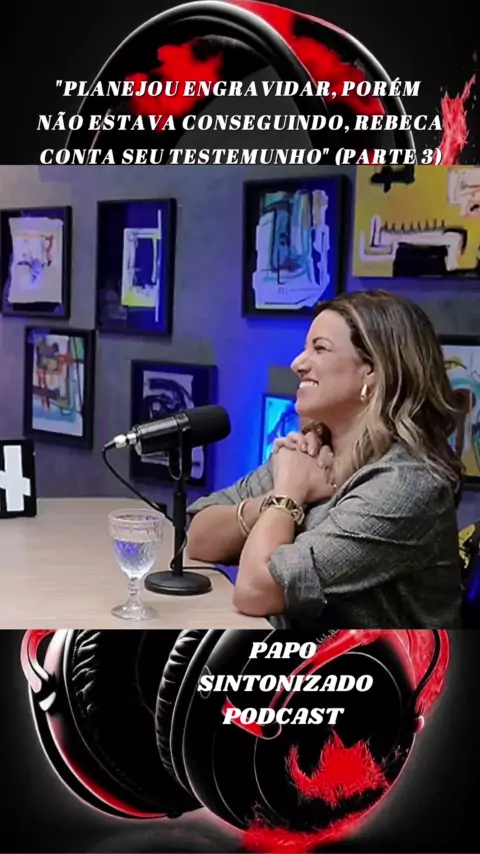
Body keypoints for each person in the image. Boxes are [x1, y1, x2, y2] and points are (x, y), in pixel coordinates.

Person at [187, 290, 463, 629]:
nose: (297, 363)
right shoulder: (311, 450)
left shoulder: (407, 484)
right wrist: (279, 495)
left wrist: (288, 495)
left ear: (372, 372)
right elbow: (198, 538)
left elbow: (256, 590)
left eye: (319, 348)